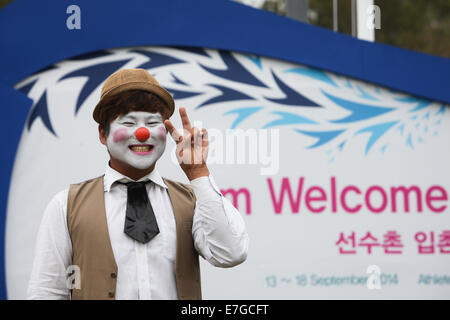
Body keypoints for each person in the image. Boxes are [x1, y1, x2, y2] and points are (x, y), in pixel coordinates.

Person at [27, 68, 249, 300]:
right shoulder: (66, 205)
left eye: (153, 122)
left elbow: (230, 253)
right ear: (103, 134)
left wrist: (198, 173)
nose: (143, 133)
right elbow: (47, 291)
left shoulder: (193, 201)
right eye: (129, 122)